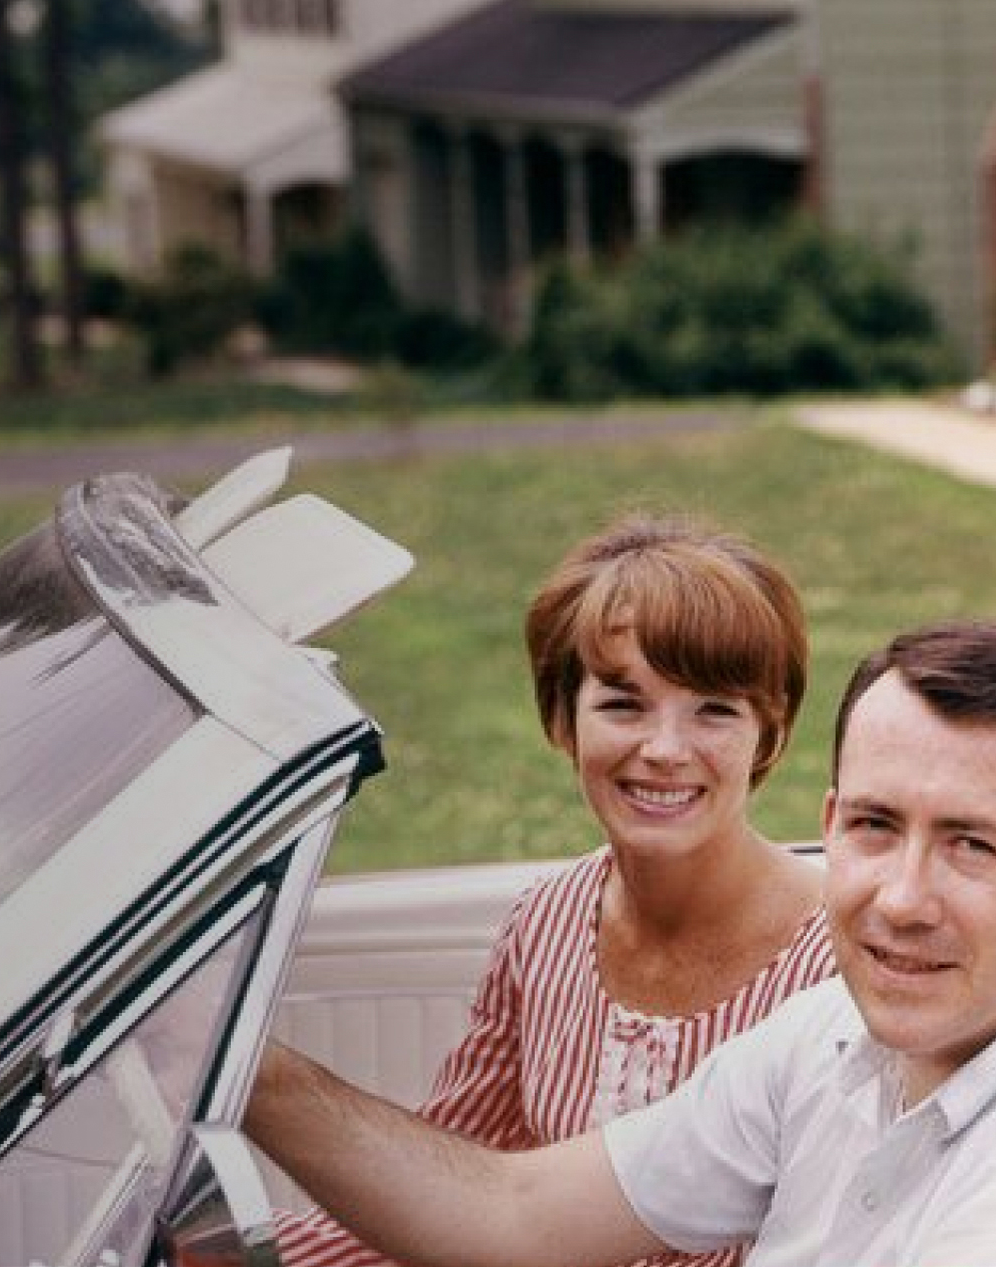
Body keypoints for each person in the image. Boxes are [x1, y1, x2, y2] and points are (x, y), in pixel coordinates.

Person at [249, 618, 996, 1267]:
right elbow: (516, 1212)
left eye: (970, 845)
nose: (900, 900)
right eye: (875, 827)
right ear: (833, 818)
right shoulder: (834, 1037)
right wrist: (240, 1063)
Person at [277, 516, 835, 1267]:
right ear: (562, 720)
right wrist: (252, 1258)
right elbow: (444, 1181)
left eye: (715, 709)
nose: (665, 750)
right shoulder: (545, 920)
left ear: (768, 735)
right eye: (623, 703)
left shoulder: (839, 967)